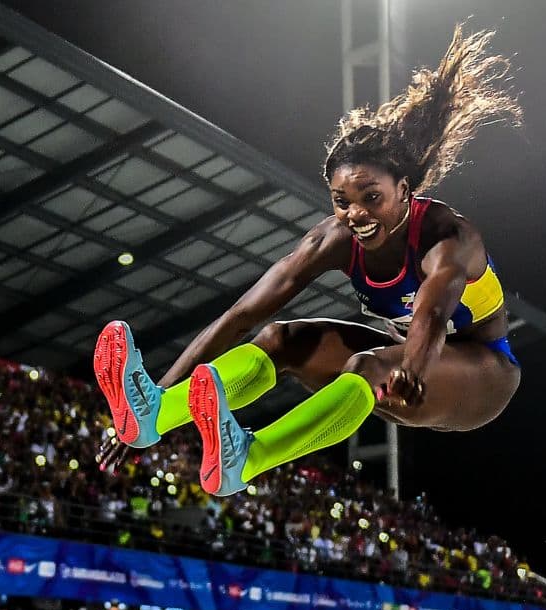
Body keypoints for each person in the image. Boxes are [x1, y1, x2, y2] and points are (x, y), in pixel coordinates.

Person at [94, 26, 522, 496]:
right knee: (281, 338)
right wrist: (153, 404)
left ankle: (250, 457)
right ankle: (157, 414)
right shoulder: (333, 239)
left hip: (482, 376)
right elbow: (241, 316)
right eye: (341, 200)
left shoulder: (447, 236)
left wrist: (413, 371)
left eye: (371, 197)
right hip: (407, 362)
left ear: (404, 189)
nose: (355, 213)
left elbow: (433, 315)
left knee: (368, 366)